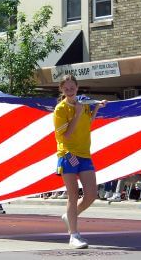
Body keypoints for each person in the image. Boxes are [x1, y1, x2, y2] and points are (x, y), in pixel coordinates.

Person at [53, 74, 106, 249]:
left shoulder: (83, 105)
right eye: (66, 89)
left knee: (91, 194)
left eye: (72, 88)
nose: (69, 91)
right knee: (73, 194)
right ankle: (73, 235)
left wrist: (96, 108)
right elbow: (66, 135)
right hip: (68, 154)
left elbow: (87, 124)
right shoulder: (60, 110)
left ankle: (70, 216)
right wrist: (76, 113)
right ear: (62, 89)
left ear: (77, 87)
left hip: (85, 154)